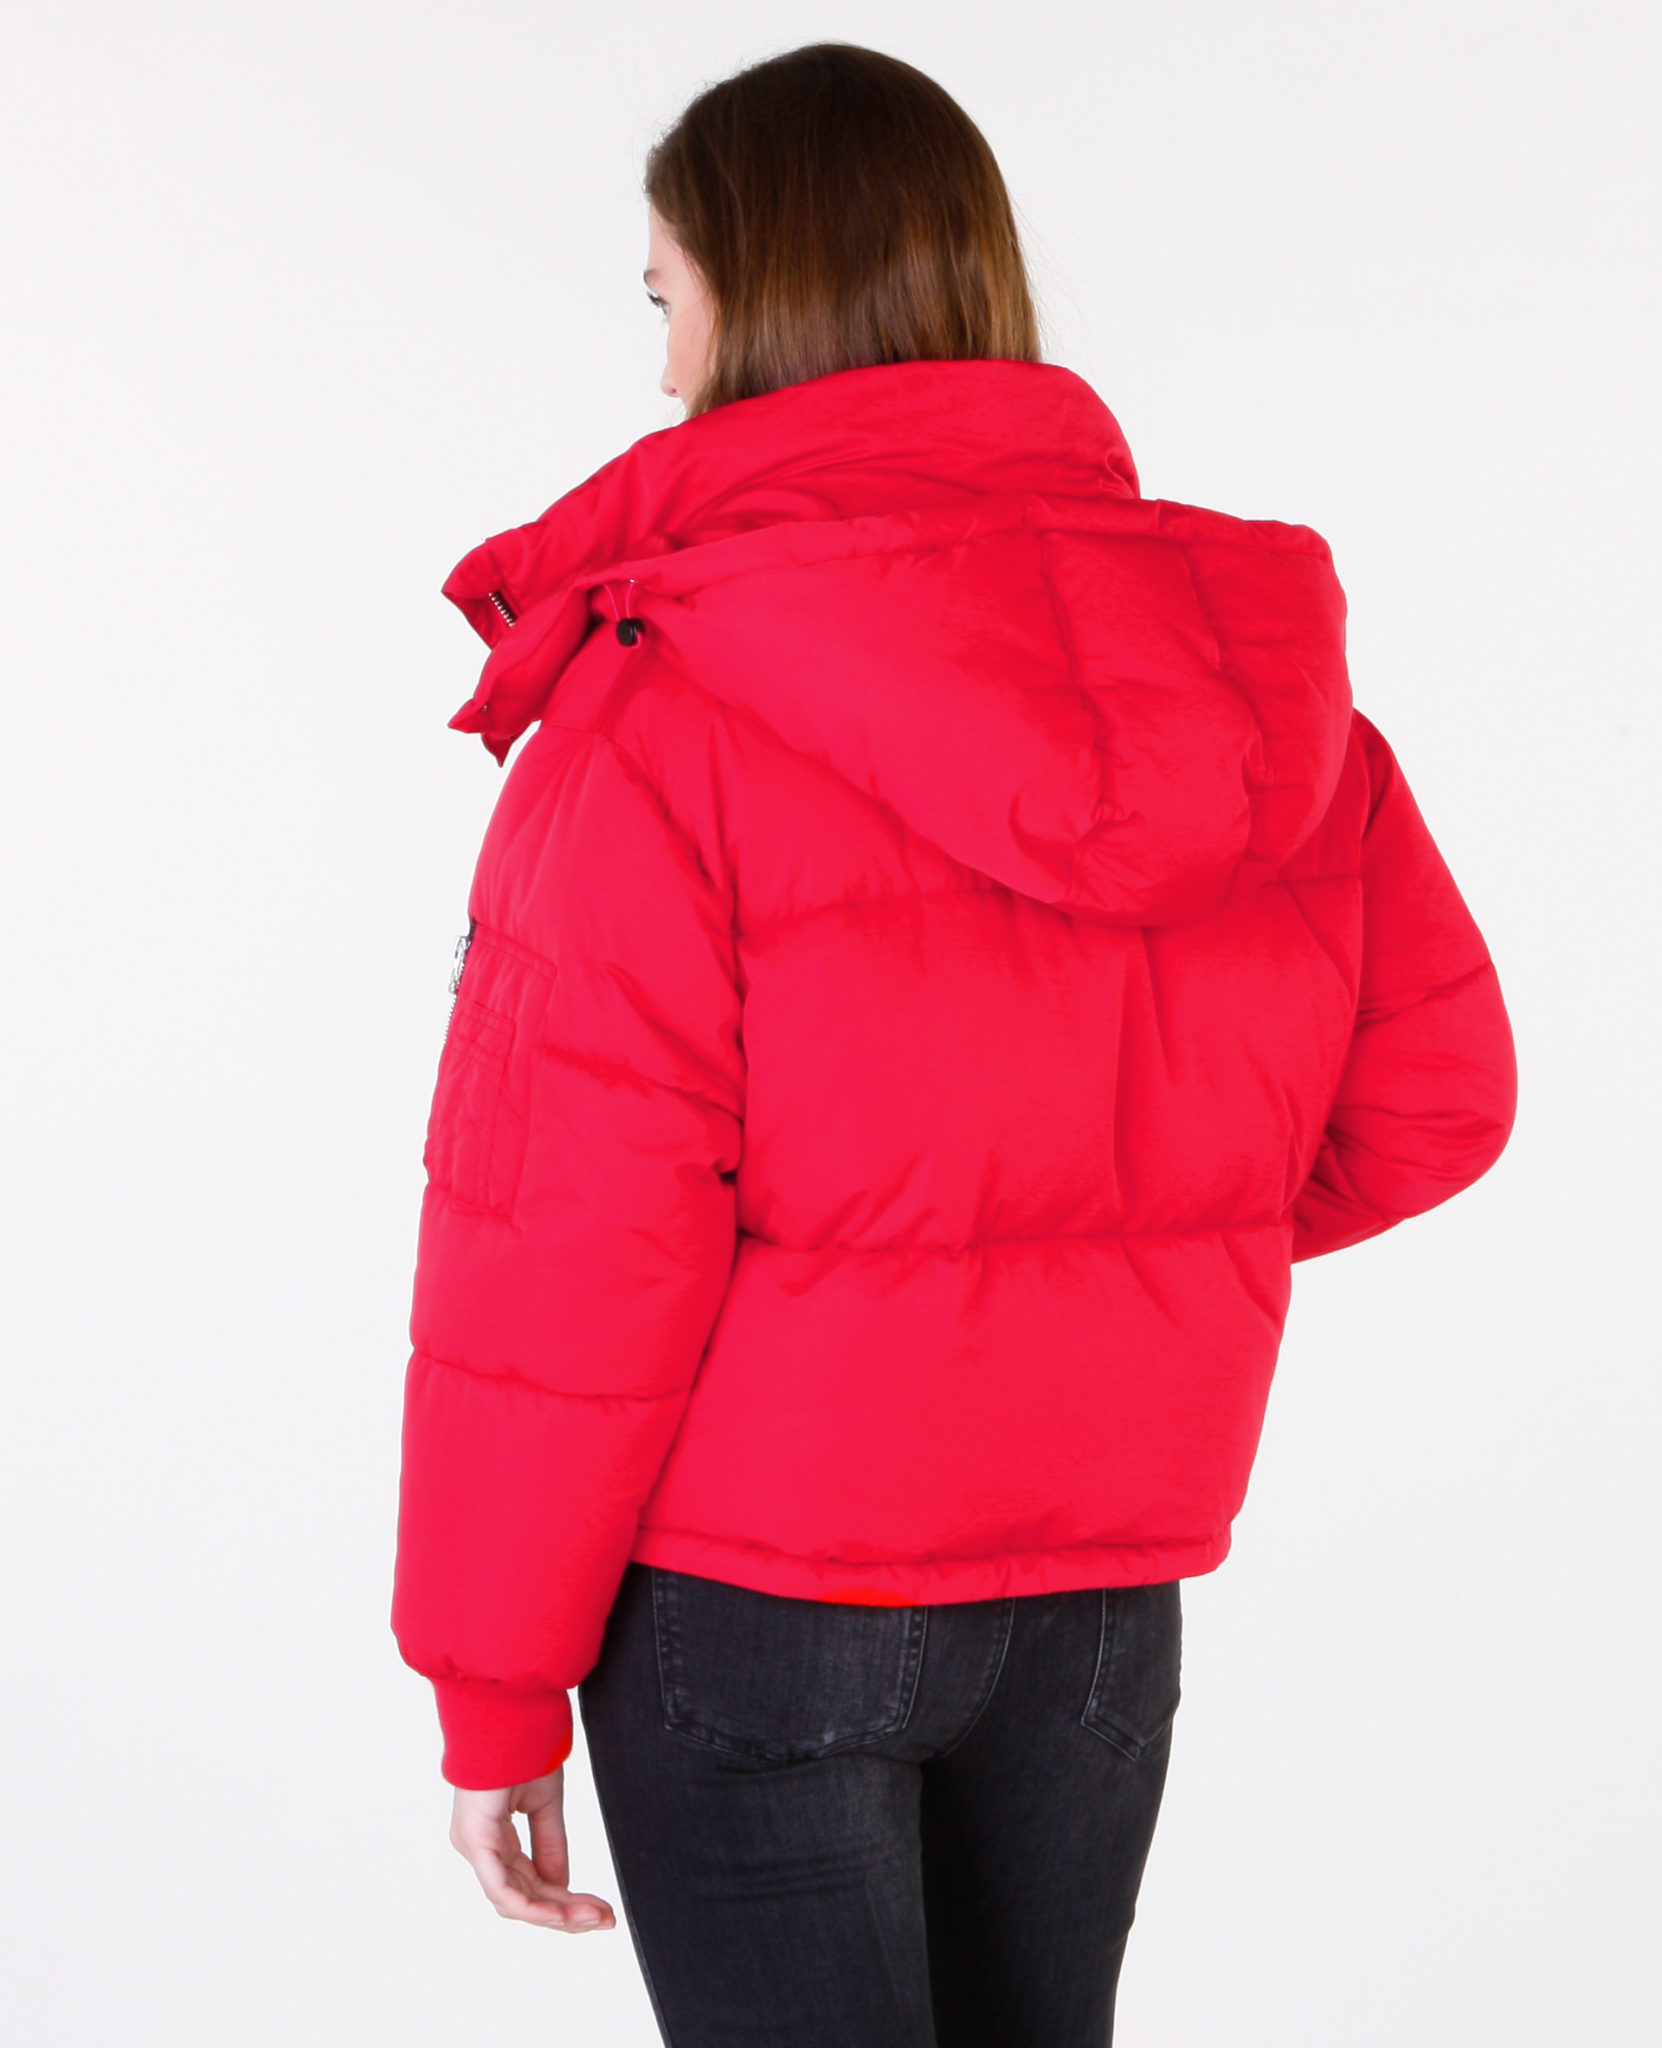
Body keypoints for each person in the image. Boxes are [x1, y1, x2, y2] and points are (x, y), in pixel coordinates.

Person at [389, 41, 1517, 2048]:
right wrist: (1105, 1260)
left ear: (758, 299)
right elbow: (1432, 1103)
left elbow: (565, 1245)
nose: (664, 367)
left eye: (666, 299)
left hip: (758, 1590)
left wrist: (492, 1692)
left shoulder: (664, 707)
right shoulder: (1251, 688)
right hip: (1097, 1599)